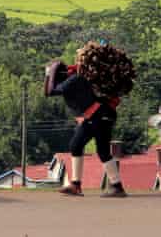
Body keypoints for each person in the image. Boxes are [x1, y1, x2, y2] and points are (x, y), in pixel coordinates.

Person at [45, 61, 126, 198]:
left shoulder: (73, 79)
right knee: (78, 146)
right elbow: (47, 92)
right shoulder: (71, 80)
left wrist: (49, 74)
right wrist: (49, 74)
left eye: (54, 76)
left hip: (101, 115)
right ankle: (77, 185)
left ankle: (116, 188)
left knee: (101, 151)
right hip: (97, 116)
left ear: (59, 74)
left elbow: (50, 91)